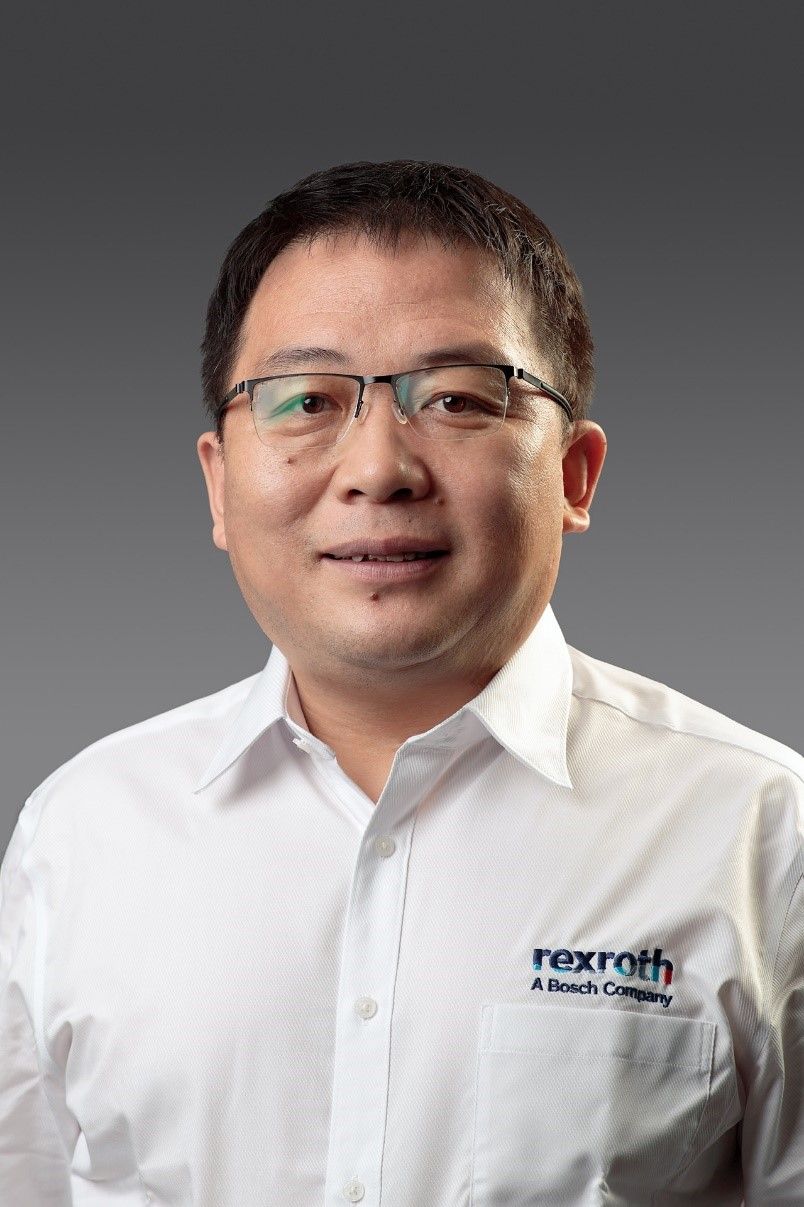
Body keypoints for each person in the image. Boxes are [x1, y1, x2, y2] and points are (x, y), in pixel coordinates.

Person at [0, 159, 801, 1206]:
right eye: (305, 400)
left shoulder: (762, 835)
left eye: (458, 398)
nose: (378, 468)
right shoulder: (83, 831)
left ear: (574, 474)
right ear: (219, 485)